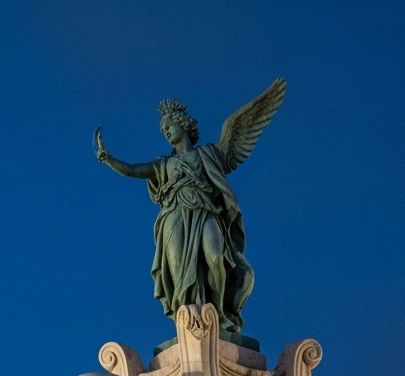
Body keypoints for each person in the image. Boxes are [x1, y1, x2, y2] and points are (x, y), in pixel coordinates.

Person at [94, 81, 285, 337]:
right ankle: (188, 321)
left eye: (169, 127)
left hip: (206, 211)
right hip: (174, 214)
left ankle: (217, 314)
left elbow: (234, 133)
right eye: (163, 131)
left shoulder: (211, 153)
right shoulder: (165, 163)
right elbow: (134, 169)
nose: (166, 133)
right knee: (178, 268)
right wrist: (108, 159)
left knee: (216, 256)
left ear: (182, 125)